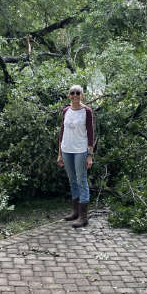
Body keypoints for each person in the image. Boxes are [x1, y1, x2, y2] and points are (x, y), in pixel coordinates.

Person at [56, 84, 95, 228]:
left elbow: (91, 134)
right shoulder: (66, 110)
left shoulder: (87, 111)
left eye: (78, 93)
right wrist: (59, 154)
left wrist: (90, 155)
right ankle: (75, 212)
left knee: (81, 180)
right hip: (66, 149)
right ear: (69, 96)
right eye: (72, 93)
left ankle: (84, 217)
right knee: (72, 180)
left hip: (80, 150)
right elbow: (62, 133)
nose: (75, 95)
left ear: (82, 95)